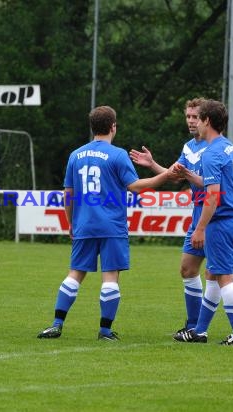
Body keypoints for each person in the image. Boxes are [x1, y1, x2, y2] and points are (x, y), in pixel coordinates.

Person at [130, 98, 233, 343]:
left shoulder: (213, 149)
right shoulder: (193, 148)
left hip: (214, 215)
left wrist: (202, 226)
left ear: (206, 120)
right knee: (194, 269)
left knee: (222, 274)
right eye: (188, 117)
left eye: (196, 117)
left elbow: (223, 185)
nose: (191, 121)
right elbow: (177, 176)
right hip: (212, 214)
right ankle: (199, 328)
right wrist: (152, 164)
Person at [37, 105, 179, 341]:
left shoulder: (76, 155)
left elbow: (68, 194)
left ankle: (56, 324)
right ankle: (104, 330)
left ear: (92, 127)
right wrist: (164, 176)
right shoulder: (117, 155)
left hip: (84, 224)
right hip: (112, 225)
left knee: (75, 274)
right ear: (113, 126)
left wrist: (71, 222)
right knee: (110, 277)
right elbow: (134, 187)